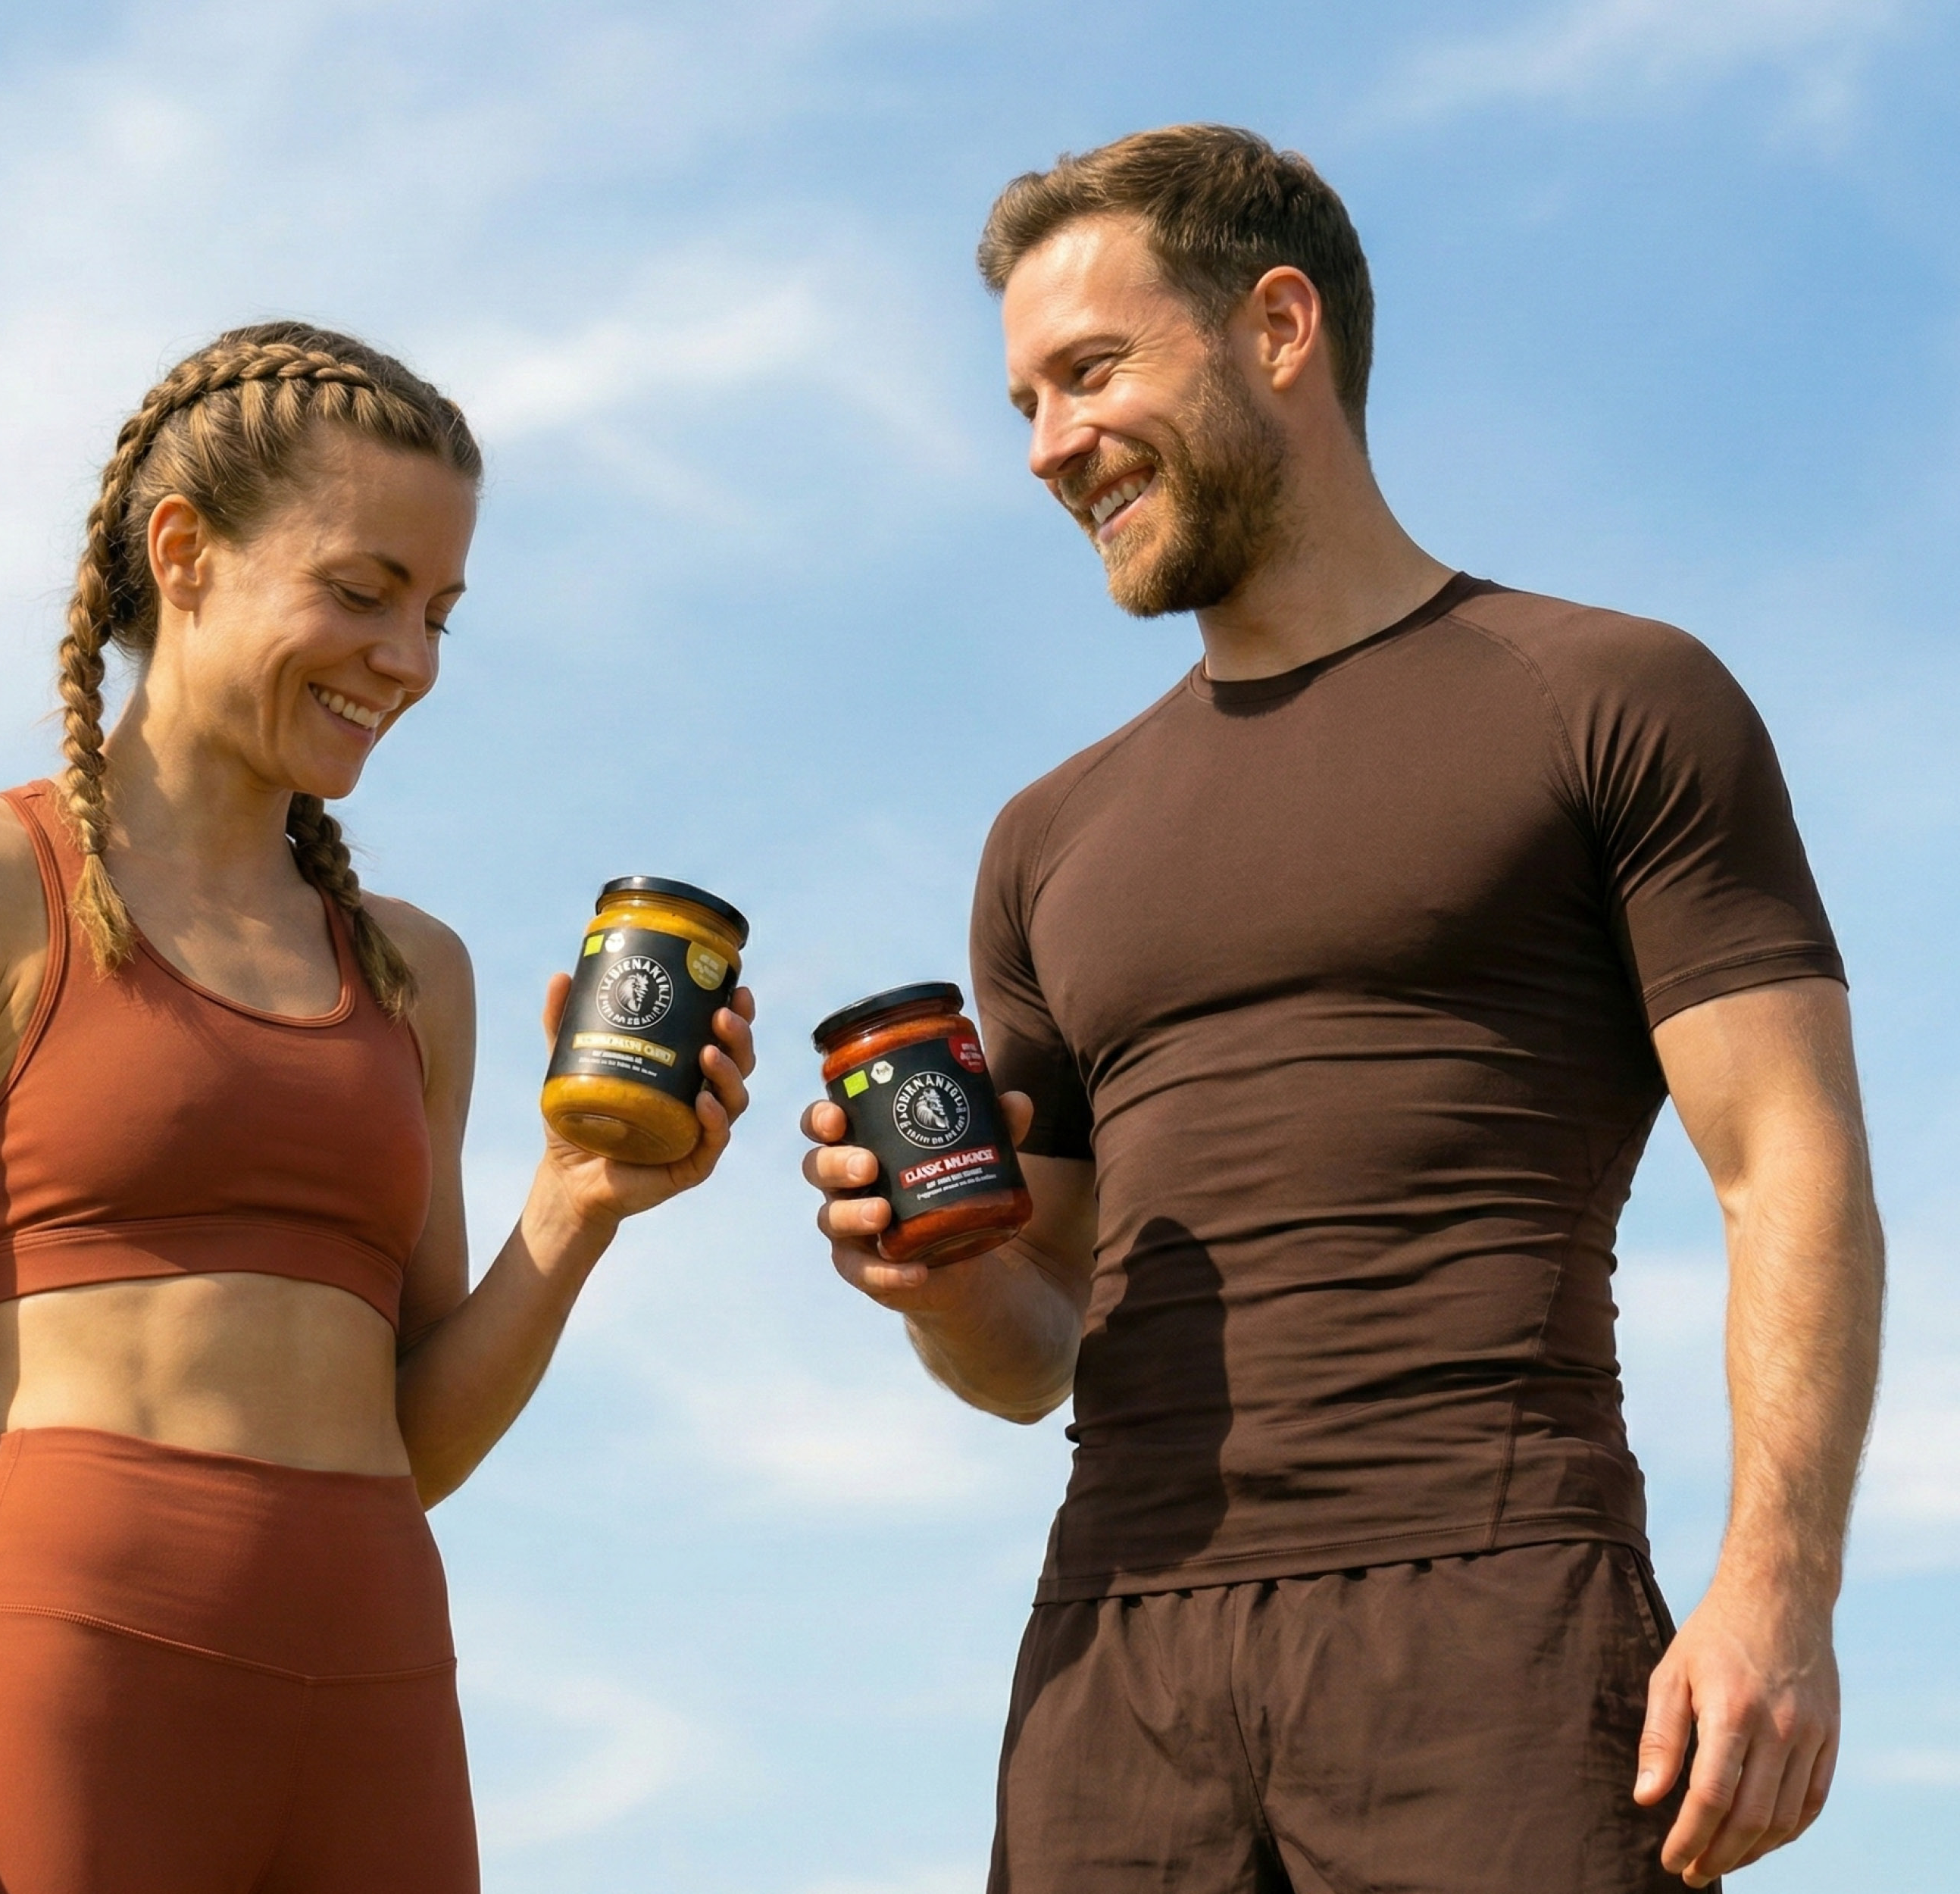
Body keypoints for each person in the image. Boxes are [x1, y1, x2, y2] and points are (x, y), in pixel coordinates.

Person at [801, 127, 1882, 1894]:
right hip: (1111, 1654)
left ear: (1278, 327)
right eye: (1023, 403)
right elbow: (1033, 1346)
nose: (1049, 445)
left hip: (1488, 1614)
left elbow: (1791, 1165)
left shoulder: (1615, 699)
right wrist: (933, 1281)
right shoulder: (1045, 838)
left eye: (1090, 371)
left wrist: (1781, 1586)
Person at [0, 321, 758, 1894]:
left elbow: (414, 1434)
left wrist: (575, 1202)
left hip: (381, 1684)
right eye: (362, 593)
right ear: (185, 554)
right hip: (79, 1669)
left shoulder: (416, 972)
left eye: (438, 615)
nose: (410, 660)